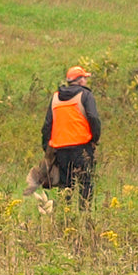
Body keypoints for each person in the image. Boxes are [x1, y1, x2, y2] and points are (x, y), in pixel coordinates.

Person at [41, 65, 101, 204]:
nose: (85, 81)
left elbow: (47, 125)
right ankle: (84, 216)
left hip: (61, 150)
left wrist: (47, 147)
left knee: (65, 187)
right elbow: (94, 118)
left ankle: (65, 217)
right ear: (80, 81)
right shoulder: (85, 95)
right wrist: (94, 139)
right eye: (84, 78)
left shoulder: (55, 97)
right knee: (85, 184)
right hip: (82, 148)